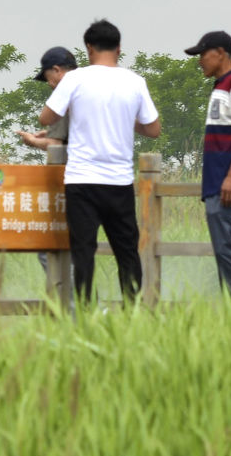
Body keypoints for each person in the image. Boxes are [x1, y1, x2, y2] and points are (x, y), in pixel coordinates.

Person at [37, 19, 160, 305]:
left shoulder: (74, 79)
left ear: (89, 48)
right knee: (127, 253)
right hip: (118, 181)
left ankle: (84, 315)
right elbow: (153, 129)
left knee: (83, 253)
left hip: (81, 180)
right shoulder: (135, 81)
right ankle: (132, 314)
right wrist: (127, 121)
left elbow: (46, 118)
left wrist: (76, 108)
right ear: (119, 48)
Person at [187, 30, 231, 300]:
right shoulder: (222, 85)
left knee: (230, 250)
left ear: (220, 53)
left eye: (203, 54)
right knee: (226, 250)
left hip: (227, 186)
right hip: (218, 185)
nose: (200, 60)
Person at [16, 47, 78, 153]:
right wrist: (53, 133)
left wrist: (32, 140)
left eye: (47, 77)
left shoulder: (67, 92)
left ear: (56, 70)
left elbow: (54, 145)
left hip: (78, 167)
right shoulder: (89, 88)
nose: (49, 84)